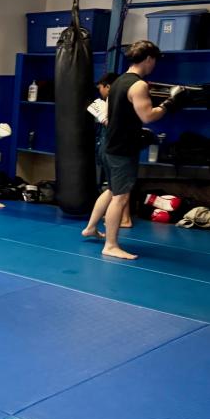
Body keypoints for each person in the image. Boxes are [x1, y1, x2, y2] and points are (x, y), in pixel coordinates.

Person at [81, 40, 180, 259]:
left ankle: (90, 227)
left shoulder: (118, 81)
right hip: (122, 149)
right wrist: (169, 104)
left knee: (110, 190)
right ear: (148, 59)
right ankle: (111, 245)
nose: (154, 64)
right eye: (154, 60)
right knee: (120, 197)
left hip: (109, 145)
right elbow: (148, 116)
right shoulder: (138, 85)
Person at [93, 73, 132, 228]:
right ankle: (123, 217)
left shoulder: (114, 100)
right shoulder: (117, 100)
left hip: (115, 146)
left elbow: (114, 125)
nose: (100, 92)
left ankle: (125, 218)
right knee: (116, 186)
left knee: (117, 187)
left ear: (108, 86)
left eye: (100, 88)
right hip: (112, 144)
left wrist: (104, 118)